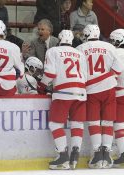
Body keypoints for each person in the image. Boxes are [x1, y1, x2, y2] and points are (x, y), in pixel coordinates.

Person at [37, 30, 87, 170]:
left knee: (55, 125)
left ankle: (63, 156)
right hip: (81, 92)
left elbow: (50, 73)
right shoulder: (80, 53)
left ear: (59, 39)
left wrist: (41, 85)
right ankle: (75, 155)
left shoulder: (53, 51)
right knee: (77, 124)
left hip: (63, 92)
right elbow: (85, 76)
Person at [76, 24, 124, 169]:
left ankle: (97, 155)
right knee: (110, 123)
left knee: (94, 122)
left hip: (92, 90)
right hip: (110, 89)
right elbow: (117, 69)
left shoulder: (80, 49)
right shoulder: (109, 48)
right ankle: (107, 156)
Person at [109, 29, 124, 167]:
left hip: (119, 93)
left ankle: (123, 153)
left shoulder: (114, 53)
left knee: (119, 124)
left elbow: (111, 74)